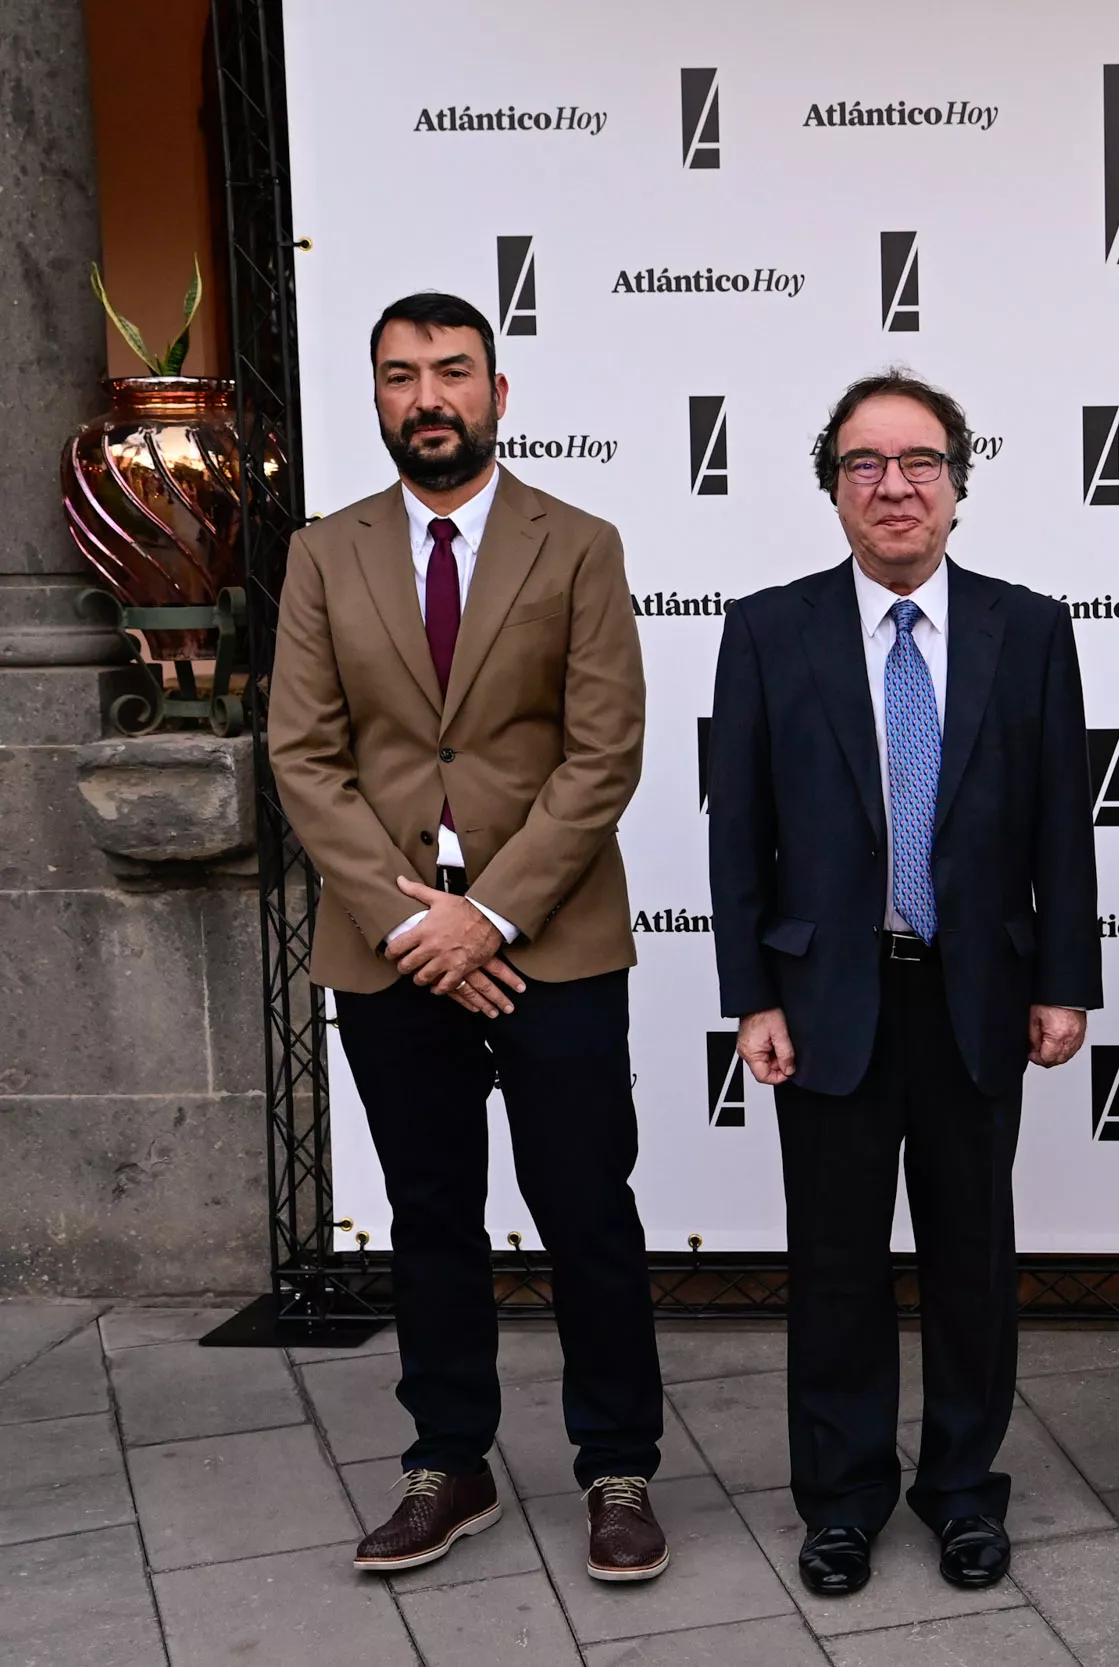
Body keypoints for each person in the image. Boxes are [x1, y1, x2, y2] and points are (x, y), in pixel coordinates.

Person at [268, 291, 666, 1582]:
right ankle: (450, 1458)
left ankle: (618, 1463)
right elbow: (302, 754)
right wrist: (410, 919)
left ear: (500, 391)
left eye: (452, 371)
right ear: (375, 397)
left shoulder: (579, 544)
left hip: (549, 940)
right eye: (400, 375)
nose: (427, 395)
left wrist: (488, 913)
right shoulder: (324, 553)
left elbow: (604, 751)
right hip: (389, 950)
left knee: (585, 1204)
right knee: (429, 1208)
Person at [707, 369, 1098, 1599]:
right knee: (833, 1263)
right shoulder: (768, 630)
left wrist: (1066, 981)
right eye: (865, 463)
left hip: (978, 993)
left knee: (973, 1261)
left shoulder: (1027, 629)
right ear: (831, 487)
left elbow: (1059, 832)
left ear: (958, 484)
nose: (894, 485)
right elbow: (740, 837)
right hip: (829, 998)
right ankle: (842, 1498)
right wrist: (751, 997)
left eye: (919, 461)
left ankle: (964, 1491)